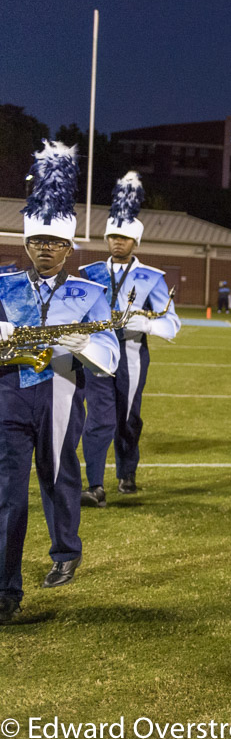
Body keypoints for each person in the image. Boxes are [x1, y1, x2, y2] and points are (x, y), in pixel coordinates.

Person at [0, 142, 120, 623]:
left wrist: (81, 343)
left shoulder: (90, 293)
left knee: (57, 476)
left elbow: (110, 355)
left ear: (70, 248)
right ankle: (6, 591)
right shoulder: (3, 287)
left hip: (63, 396)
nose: (45, 249)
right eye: (37, 242)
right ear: (26, 244)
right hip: (9, 396)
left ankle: (65, 549)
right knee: (7, 493)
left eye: (55, 243)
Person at [79, 172, 181, 506]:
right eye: (113, 236)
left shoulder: (152, 278)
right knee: (98, 418)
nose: (117, 242)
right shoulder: (91, 273)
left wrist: (143, 323)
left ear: (135, 241)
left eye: (124, 237)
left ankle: (127, 470)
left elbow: (172, 323)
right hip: (96, 352)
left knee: (126, 418)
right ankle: (94, 484)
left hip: (132, 353)